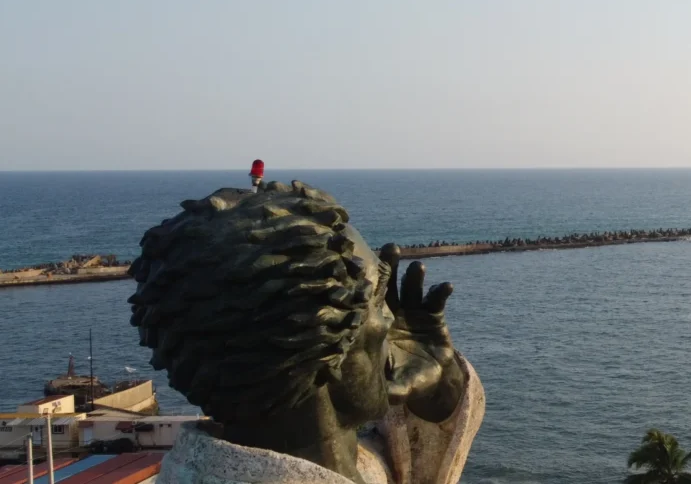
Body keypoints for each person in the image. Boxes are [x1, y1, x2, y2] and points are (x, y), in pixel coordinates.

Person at [128, 181, 483, 484]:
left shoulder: (357, 467)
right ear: (319, 342)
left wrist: (439, 384)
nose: (389, 321)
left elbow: (416, 461)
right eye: (377, 300)